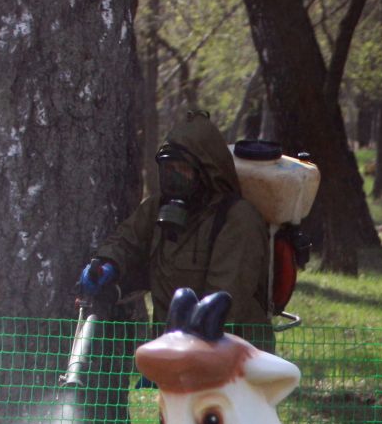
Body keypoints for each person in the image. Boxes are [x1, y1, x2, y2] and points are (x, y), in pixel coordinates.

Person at [75, 111, 277, 351]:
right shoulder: (159, 206)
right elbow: (127, 240)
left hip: (234, 356)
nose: (174, 177)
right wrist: (107, 263)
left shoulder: (237, 219)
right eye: (168, 168)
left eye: (183, 168)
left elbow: (223, 302)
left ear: (207, 172)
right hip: (175, 352)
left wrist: (181, 354)